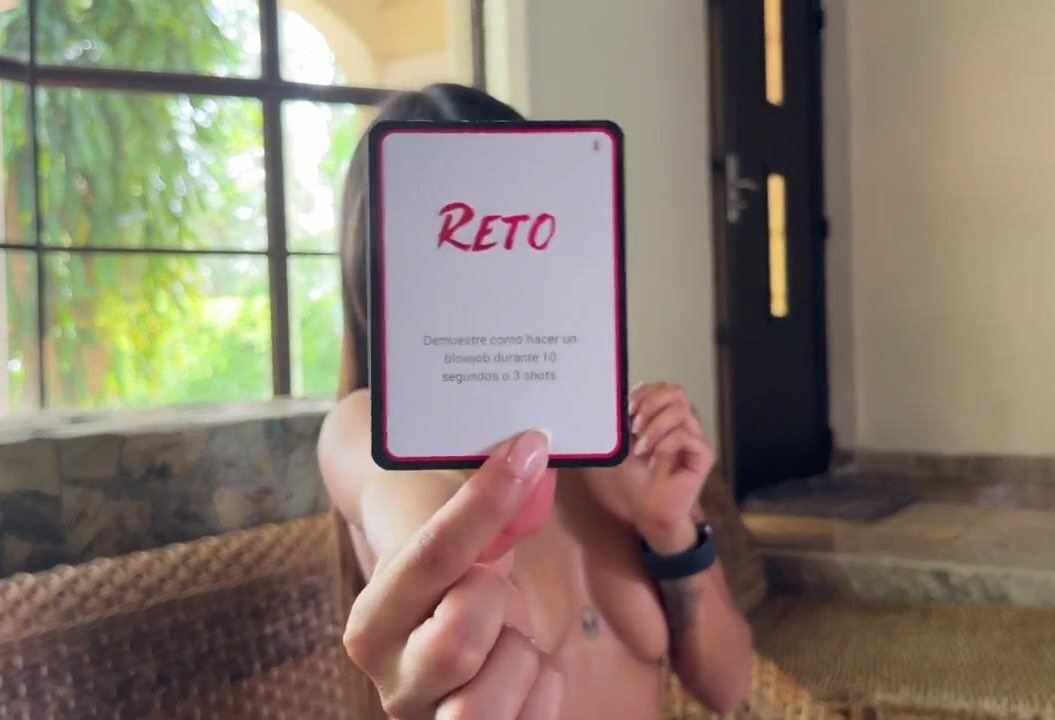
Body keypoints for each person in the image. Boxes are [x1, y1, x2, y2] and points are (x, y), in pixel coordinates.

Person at [318, 83, 753, 720]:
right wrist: (443, 571)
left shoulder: (610, 433)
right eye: (453, 230)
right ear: (383, 259)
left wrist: (671, 529)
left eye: (511, 222)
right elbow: (403, 511)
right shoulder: (372, 429)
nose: (489, 254)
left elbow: (729, 687)